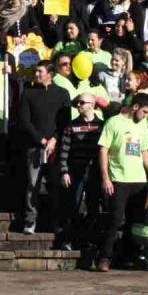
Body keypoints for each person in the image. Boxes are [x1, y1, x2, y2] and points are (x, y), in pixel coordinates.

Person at [96, 94, 148, 272]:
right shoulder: (113, 123)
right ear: (135, 107)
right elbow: (103, 150)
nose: (145, 116)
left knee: (135, 221)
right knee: (115, 219)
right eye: (144, 111)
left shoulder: (142, 125)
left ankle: (127, 257)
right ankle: (104, 257)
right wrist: (105, 178)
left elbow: (144, 151)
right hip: (119, 180)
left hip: (139, 181)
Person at [19, 62, 71, 235]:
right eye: (36, 71)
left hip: (56, 148)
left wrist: (54, 139)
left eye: (40, 71)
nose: (36, 74)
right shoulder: (28, 93)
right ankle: (30, 220)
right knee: (32, 185)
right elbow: (25, 121)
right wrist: (42, 141)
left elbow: (65, 122)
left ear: (50, 74)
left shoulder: (62, 93)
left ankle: (56, 222)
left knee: (56, 185)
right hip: (35, 148)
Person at [57, 93, 104, 250]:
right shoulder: (71, 126)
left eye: (82, 103)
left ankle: (89, 240)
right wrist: (64, 172)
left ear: (92, 105)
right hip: (75, 172)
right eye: (77, 103)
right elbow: (63, 150)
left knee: (93, 207)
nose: (79, 105)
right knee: (72, 206)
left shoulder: (102, 126)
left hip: (95, 173)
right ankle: (68, 240)